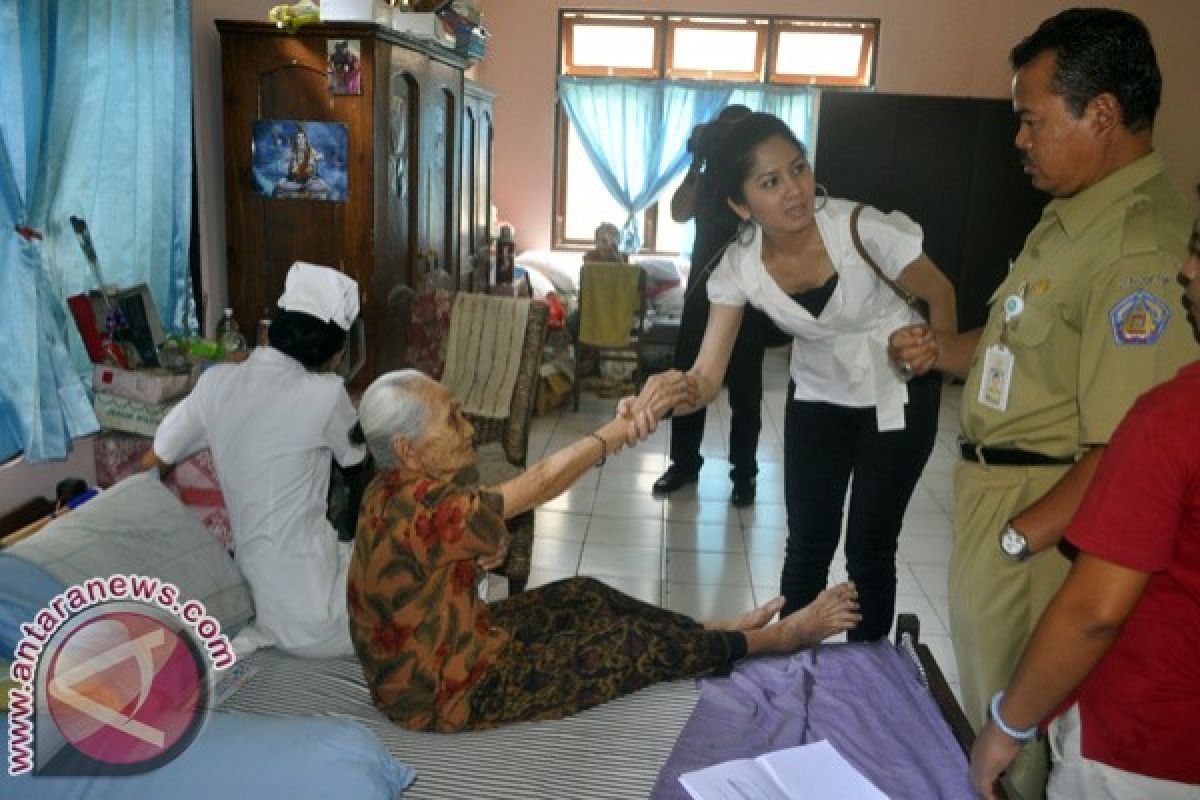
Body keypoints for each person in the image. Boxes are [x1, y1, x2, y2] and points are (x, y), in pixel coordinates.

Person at [889, 10, 1196, 799]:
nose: (1019, 140)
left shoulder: (1138, 249)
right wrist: (936, 352)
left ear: (1100, 113)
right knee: (995, 694)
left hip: (1048, 517)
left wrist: (1021, 543)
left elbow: (1132, 447)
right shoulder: (1070, 218)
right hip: (1002, 498)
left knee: (1017, 730)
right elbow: (1006, 350)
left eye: (1031, 120)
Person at [347, 369, 860, 732]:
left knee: (582, 595)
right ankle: (778, 639)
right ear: (407, 450)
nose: (469, 428)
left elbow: (490, 539)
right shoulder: (420, 507)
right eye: (452, 419)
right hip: (445, 695)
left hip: (466, 639)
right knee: (627, 646)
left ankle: (710, 631)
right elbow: (541, 483)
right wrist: (613, 435)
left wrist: (493, 543)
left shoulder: (392, 487)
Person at [634, 112, 956, 645]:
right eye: (770, 182)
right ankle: (792, 670)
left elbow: (940, 292)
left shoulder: (861, 229)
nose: (795, 191)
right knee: (807, 544)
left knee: (869, 547)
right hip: (818, 396)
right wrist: (669, 393)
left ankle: (863, 679)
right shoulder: (738, 267)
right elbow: (707, 377)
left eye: (798, 169)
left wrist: (937, 360)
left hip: (898, 395)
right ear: (741, 205)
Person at [968, 218, 1200, 800]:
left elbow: (1093, 612)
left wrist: (1006, 725)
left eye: (1199, 252)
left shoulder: (1171, 420)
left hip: (1144, 743)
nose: (1186, 271)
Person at [147, 261, 365, 658]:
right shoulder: (327, 395)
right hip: (317, 611)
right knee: (424, 571)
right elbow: (359, 469)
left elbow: (156, 457)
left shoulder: (215, 383)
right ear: (335, 351)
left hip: (257, 602)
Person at [654, 104, 772, 508]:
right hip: (701, 298)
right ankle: (684, 464)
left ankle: (744, 475)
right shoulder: (705, 179)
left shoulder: (756, 182)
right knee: (687, 383)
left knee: (745, 393)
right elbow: (677, 212)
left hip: (750, 298)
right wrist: (696, 163)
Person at [276, 125, 330, 197]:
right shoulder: (292, 151)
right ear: (296, 140)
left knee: (324, 187)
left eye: (302, 138)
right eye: (298, 138)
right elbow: (283, 164)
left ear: (305, 140)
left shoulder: (310, 150)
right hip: (294, 182)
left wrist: (314, 159)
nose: (301, 140)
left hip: (309, 182)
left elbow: (321, 156)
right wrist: (289, 164)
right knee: (280, 186)